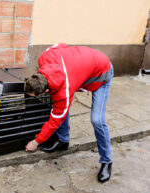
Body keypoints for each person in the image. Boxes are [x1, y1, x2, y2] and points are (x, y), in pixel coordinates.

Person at [24, 43, 114, 183]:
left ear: (45, 91)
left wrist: (36, 142)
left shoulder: (64, 93)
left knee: (97, 119)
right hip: (85, 65)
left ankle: (107, 161)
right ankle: (63, 140)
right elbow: (61, 45)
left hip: (102, 74)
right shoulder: (45, 56)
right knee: (61, 107)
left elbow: (54, 122)